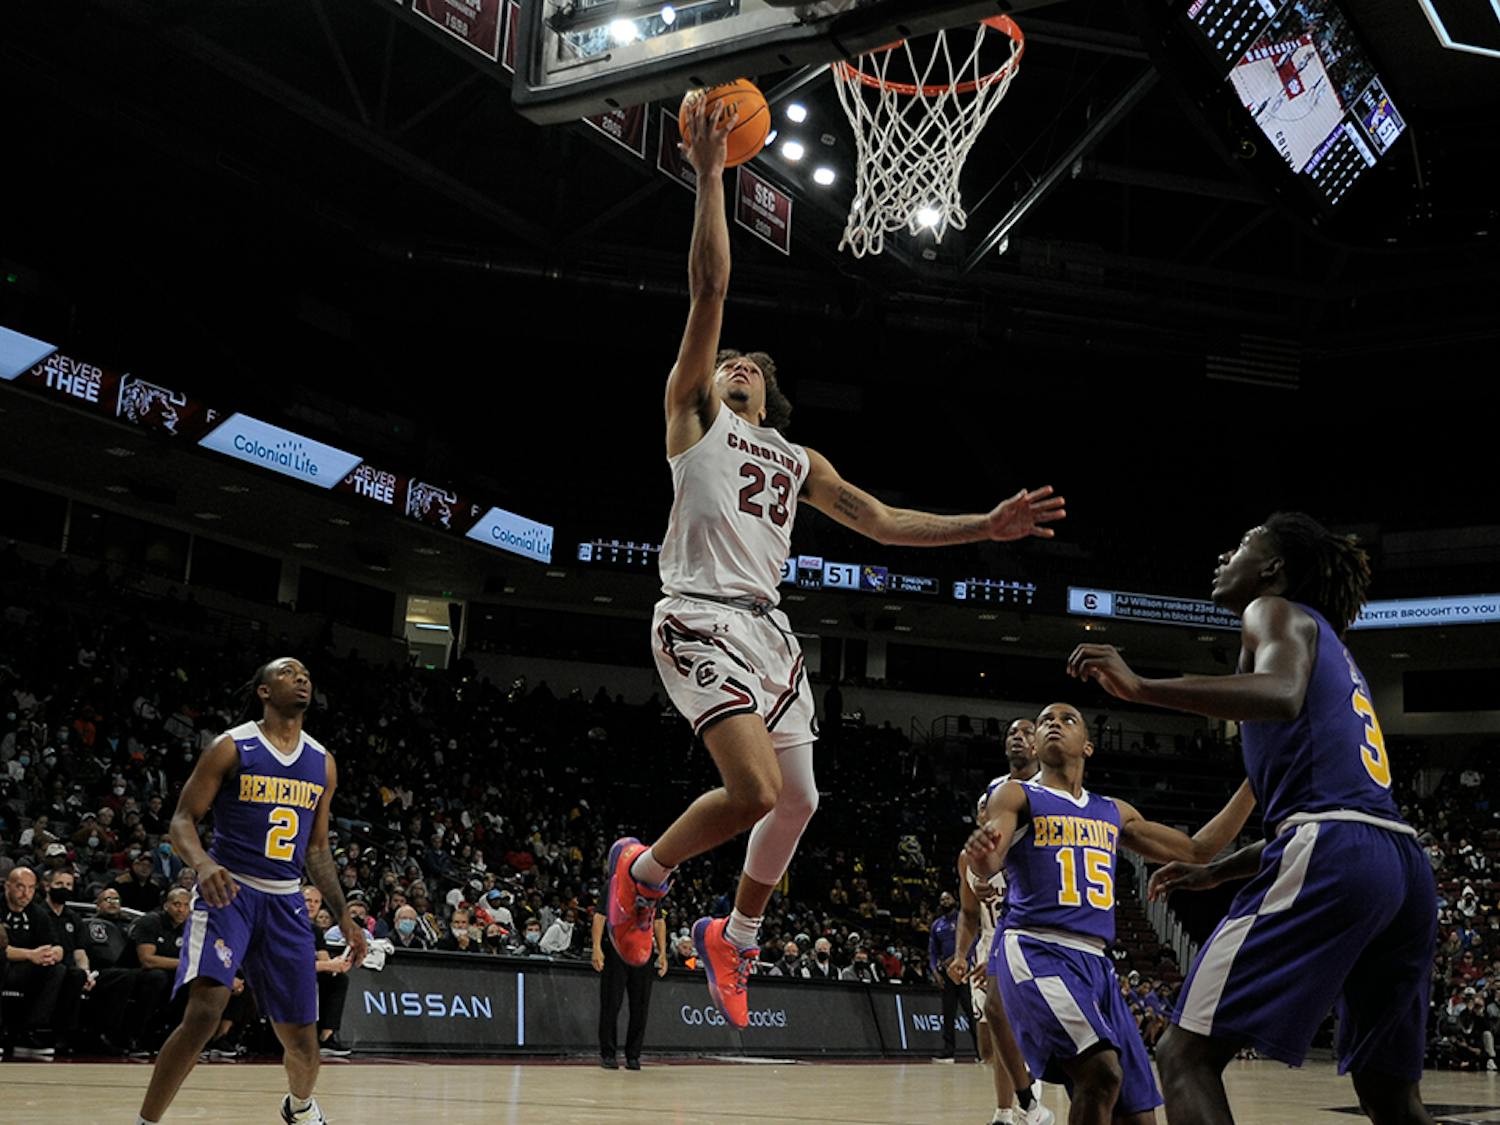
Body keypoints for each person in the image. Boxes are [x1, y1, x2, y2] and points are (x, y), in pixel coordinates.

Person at [603, 95, 1067, 1030]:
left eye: (753, 366)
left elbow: (884, 522)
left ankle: (734, 933)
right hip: (698, 612)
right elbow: (709, 292)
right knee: (755, 791)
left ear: (771, 395)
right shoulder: (691, 415)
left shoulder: (798, 460)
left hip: (770, 632)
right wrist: (710, 176)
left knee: (801, 799)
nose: (739, 363)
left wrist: (986, 523)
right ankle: (642, 874)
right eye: (730, 360)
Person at [1069, 513, 1438, 1125]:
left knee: (1183, 1055)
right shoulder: (1335, 649)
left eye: (1242, 544)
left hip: (1336, 848)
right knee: (1390, 1095)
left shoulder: (1274, 610)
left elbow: (1280, 693)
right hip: (1400, 865)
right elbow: (1343, 811)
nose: (1224, 556)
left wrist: (1140, 688)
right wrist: (1220, 870)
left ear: (1273, 569)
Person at [965, 703, 1254, 1125]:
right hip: (1036, 949)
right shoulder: (1016, 795)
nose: (1054, 724)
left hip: (1097, 964)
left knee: (1138, 1116)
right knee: (1101, 1073)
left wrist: (1255, 782)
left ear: (1088, 746)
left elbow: (1198, 850)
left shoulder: (1113, 811)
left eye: (1067, 719)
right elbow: (990, 861)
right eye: (1045, 721)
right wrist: (982, 857)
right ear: (1036, 744)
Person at [137, 658, 366, 1125]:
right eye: (288, 673)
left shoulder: (322, 762)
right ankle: (146, 1121)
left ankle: (299, 1107)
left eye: (306, 674)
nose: (301, 678)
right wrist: (203, 865)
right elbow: (182, 819)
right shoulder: (231, 746)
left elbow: (317, 849)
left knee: (303, 1042)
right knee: (205, 1012)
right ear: (264, 691)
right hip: (230, 892)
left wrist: (344, 915)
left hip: (286, 900)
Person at [955, 718, 1051, 1125]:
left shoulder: (1045, 798)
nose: (1018, 738)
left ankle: (1030, 1105)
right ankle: (1007, 1110)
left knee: (1019, 1026)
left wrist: (995, 954)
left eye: (1027, 732)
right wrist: (962, 953)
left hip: (1028, 932)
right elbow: (968, 911)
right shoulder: (973, 850)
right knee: (994, 1036)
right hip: (994, 938)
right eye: (1012, 732)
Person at [2, 865, 66, 1058]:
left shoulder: (37, 913)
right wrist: (31, 954)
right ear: (7, 886)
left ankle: (33, 1031)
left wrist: (52, 954)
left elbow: (57, 945)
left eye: (31, 888)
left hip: (25, 969)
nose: (26, 893)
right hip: (6, 964)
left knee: (60, 970)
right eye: (20, 887)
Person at [592, 909, 668, 1070]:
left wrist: (662, 952)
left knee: (640, 1006)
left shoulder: (652, 894)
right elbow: (600, 916)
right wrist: (596, 947)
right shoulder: (613, 891)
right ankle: (608, 1054)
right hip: (616, 949)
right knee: (611, 1003)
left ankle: (633, 1055)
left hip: (643, 952)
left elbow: (658, 921)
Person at [928, 891, 972, 1062]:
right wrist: (935, 972)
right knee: (948, 1013)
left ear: (954, 900)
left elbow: (973, 943)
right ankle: (948, 1050)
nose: (944, 901)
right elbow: (933, 952)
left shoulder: (963, 920)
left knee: (971, 1011)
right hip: (947, 975)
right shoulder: (937, 925)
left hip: (964, 972)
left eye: (947, 898)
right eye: (942, 899)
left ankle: (981, 1051)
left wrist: (957, 958)